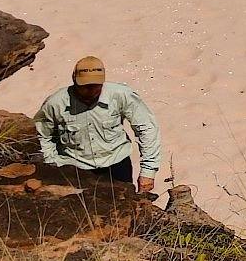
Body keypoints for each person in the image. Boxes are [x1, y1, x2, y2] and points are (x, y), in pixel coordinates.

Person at [33, 55, 166, 189]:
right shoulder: (55, 103)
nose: (91, 90)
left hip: (117, 165)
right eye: (85, 86)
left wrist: (148, 170)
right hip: (74, 169)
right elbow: (42, 135)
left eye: (96, 85)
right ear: (74, 80)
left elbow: (147, 128)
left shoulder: (121, 95)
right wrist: (52, 164)